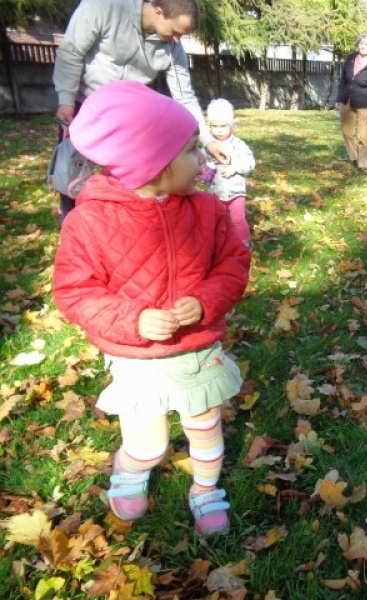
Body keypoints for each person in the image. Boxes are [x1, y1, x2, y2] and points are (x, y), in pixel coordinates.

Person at [52, 80, 251, 537]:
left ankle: (205, 489)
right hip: (137, 355)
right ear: (154, 163)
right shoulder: (90, 221)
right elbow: (75, 290)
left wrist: (205, 302)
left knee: (204, 425)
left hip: (195, 348)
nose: (203, 160)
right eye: (192, 150)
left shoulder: (207, 211)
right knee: (149, 442)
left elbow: (233, 264)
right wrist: (134, 319)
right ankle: (131, 470)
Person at [52, 0, 228, 223]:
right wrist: (65, 99)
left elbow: (185, 96)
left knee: (128, 183)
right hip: (85, 108)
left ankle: (121, 227)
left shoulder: (173, 48)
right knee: (72, 174)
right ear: (158, 12)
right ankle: (72, 224)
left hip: (130, 121)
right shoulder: (103, 7)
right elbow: (71, 52)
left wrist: (207, 140)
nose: (177, 40)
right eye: (175, 31)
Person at [204, 98, 256, 247]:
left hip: (235, 191)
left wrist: (236, 168)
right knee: (216, 219)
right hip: (215, 192)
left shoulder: (239, 145)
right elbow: (201, 170)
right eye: (214, 126)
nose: (219, 130)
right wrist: (209, 165)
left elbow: (250, 162)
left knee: (238, 219)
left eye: (223, 126)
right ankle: (219, 244)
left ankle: (244, 244)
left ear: (231, 125)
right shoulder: (208, 146)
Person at [335, 33, 367, 173]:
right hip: (347, 101)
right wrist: (338, 99)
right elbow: (343, 81)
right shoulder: (350, 58)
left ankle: (363, 164)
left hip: (365, 104)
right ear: (357, 45)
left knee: (363, 136)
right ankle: (354, 157)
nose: (363, 46)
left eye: (366, 44)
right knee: (347, 132)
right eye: (361, 44)